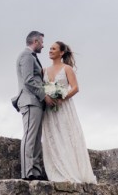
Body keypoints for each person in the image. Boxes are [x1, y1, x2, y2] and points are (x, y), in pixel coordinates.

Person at [41, 41, 97, 183]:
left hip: (64, 107)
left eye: (53, 49)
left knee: (67, 135)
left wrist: (61, 96)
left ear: (61, 53)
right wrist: (48, 95)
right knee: (53, 137)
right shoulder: (44, 70)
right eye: (49, 48)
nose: (50, 50)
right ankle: (56, 170)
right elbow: (42, 87)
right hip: (49, 109)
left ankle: (70, 171)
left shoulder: (67, 69)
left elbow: (75, 88)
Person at [12, 31, 56, 181]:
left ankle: (36, 171)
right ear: (36, 41)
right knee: (30, 136)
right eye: (42, 42)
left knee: (37, 137)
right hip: (30, 101)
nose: (43, 46)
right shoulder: (26, 56)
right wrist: (44, 95)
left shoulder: (32, 57)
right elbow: (28, 80)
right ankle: (27, 172)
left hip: (36, 102)